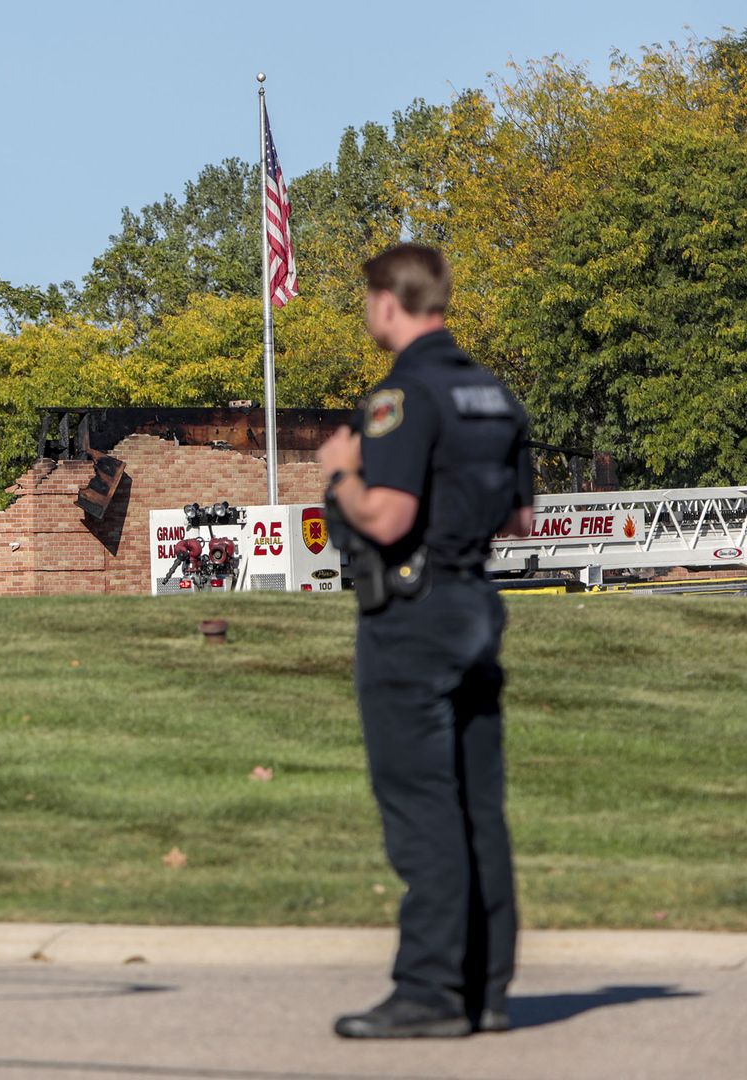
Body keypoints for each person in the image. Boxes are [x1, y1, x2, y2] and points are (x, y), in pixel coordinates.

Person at [316, 243, 536, 1039]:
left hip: (413, 616)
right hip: (478, 604)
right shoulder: (493, 394)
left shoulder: (403, 394)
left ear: (387, 301)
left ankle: (431, 989)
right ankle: (488, 987)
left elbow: (389, 517)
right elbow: (519, 521)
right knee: (480, 801)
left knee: (420, 800)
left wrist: (343, 472)